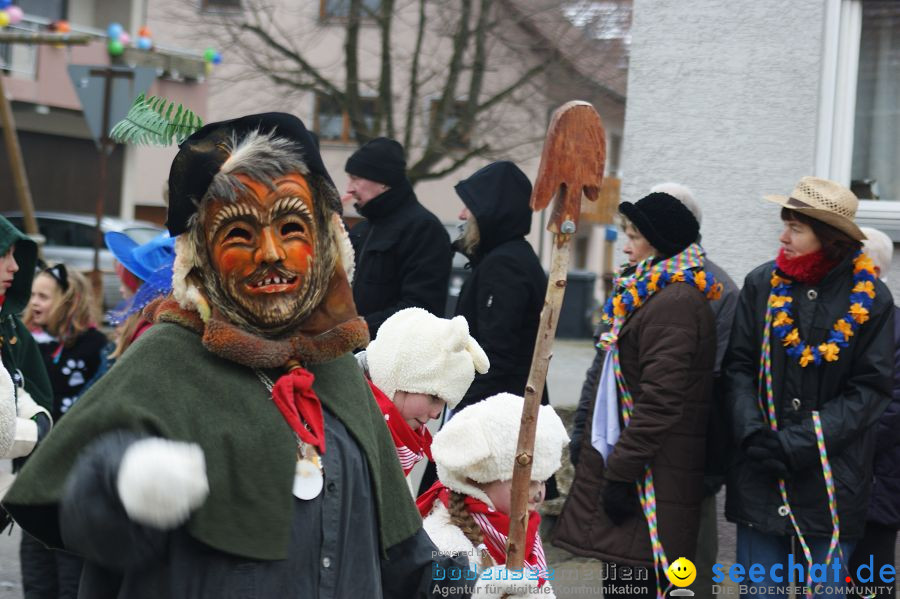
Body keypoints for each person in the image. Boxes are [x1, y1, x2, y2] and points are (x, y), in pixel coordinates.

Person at [2, 113, 472, 599]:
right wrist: (119, 484)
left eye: (292, 226)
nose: (270, 252)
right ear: (200, 257)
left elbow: (403, 557)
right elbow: (82, 527)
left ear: (328, 246)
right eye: (240, 233)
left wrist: (490, 581)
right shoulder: (164, 363)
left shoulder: (338, 373)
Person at [724, 177, 893, 599]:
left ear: (830, 238)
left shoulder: (873, 298)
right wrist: (753, 433)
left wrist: (798, 442)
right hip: (761, 478)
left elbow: (870, 392)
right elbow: (738, 368)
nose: (783, 237)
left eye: (796, 228)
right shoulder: (762, 285)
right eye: (785, 225)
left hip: (833, 486)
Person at [553, 192, 719, 598]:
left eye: (634, 236)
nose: (625, 246)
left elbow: (659, 402)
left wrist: (620, 475)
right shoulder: (651, 291)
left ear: (660, 241)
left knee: (634, 587)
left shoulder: (675, 301)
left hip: (649, 478)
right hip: (641, 470)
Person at [417, 393, 568, 598]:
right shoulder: (446, 544)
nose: (539, 495)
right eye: (528, 482)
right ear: (479, 478)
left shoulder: (518, 527)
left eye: (542, 481)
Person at [21, 264, 107, 599]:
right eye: (32, 295)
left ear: (69, 301)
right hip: (33, 481)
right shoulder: (28, 343)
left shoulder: (95, 348)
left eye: (44, 296)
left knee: (71, 577)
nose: (35, 302)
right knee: (36, 574)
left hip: (73, 487)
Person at [452, 161, 549, 411]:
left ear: (491, 211)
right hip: (500, 405)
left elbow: (496, 355)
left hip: (497, 412)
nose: (462, 215)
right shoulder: (506, 257)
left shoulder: (505, 264)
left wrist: (460, 406)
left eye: (470, 206)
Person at [356, 307, 489, 476]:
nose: (437, 414)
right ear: (393, 373)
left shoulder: (385, 438)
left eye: (444, 403)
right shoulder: (345, 432)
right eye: (434, 397)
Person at [345, 137, 452, 337]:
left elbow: (420, 310)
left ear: (383, 182)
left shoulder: (424, 230)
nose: (349, 188)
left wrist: (355, 331)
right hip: (353, 354)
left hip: (391, 360)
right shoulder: (364, 228)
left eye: (356, 178)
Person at [0, 216, 54, 598]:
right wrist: (35, 428)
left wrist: (36, 419)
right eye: (5, 254)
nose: (15, 268)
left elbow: (27, 395)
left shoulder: (10, 331)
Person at [846, 226, 898, 599]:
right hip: (837, 481)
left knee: (870, 585)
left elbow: (891, 409)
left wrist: (835, 442)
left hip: (876, 481)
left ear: (873, 273)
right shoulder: (843, 321)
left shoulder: (894, 328)